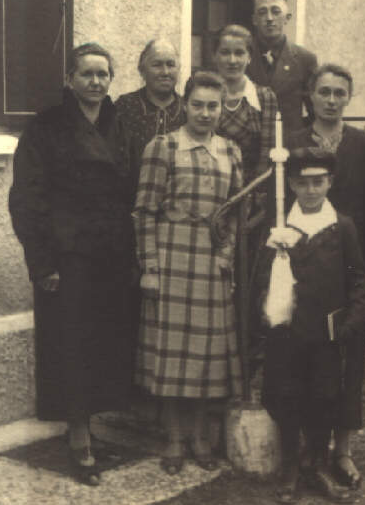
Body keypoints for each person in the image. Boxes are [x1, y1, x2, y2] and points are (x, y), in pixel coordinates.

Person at [9, 43, 135, 486]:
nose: (96, 82)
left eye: (104, 74)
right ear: (70, 79)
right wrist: (42, 263)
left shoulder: (118, 124)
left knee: (102, 343)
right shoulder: (46, 127)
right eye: (87, 74)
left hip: (112, 259)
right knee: (72, 346)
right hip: (68, 259)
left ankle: (92, 426)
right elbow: (26, 200)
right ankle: (78, 439)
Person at [133, 71, 243, 475]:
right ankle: (175, 439)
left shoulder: (230, 151)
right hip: (172, 259)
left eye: (213, 105)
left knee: (204, 358)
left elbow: (233, 212)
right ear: (185, 105)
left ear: (221, 108)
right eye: (197, 104)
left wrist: (226, 254)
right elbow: (144, 211)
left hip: (211, 264)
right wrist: (150, 268)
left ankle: (200, 437)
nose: (205, 113)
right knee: (172, 358)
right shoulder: (163, 146)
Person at [287, 63, 365, 490]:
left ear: (349, 96)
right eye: (323, 92)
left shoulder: (364, 143)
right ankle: (310, 453)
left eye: (338, 93)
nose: (330, 100)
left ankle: (343, 451)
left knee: (349, 361)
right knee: (309, 362)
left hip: (352, 262)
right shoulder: (291, 142)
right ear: (310, 96)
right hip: (307, 265)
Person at [259, 147, 365, 504]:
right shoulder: (278, 225)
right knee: (286, 395)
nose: (310, 190)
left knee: (324, 397)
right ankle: (292, 462)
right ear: (290, 184)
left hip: (326, 334)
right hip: (287, 332)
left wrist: (349, 323)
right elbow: (261, 281)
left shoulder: (343, 226)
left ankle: (318, 462)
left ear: (329, 183)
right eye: (303, 183)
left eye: (318, 182)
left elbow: (357, 281)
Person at [115, 38, 185, 196]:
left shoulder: (188, 109)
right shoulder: (124, 107)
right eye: (157, 65)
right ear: (142, 70)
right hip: (129, 200)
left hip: (177, 204)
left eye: (171, 64)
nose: (165, 72)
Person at [212, 24, 278, 184]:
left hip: (252, 188)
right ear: (214, 56)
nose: (232, 60)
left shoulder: (264, 97)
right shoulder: (204, 96)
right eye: (225, 52)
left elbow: (267, 155)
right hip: (210, 183)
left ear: (249, 57)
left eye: (239, 53)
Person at [247, 0, 317, 134]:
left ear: (287, 18)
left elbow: (315, 111)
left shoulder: (305, 59)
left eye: (276, 11)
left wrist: (299, 135)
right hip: (250, 147)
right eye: (262, 12)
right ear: (254, 19)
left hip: (290, 147)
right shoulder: (241, 56)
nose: (269, 18)